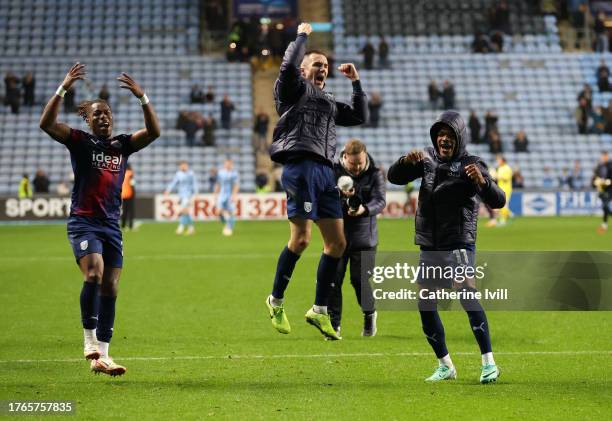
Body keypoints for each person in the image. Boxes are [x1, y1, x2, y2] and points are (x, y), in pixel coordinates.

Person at [39, 62, 161, 376]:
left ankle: (103, 355)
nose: (103, 116)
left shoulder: (122, 146)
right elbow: (46, 123)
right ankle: (88, 340)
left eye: (106, 112)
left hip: (110, 225)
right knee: (93, 273)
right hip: (84, 221)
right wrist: (63, 88)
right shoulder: (79, 141)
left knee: (111, 288)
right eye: (97, 114)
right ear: (89, 120)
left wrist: (142, 97)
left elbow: (154, 132)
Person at [387, 110, 505, 384]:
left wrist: (482, 182)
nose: (444, 139)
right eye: (440, 134)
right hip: (430, 243)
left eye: (449, 135)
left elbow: (499, 200)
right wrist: (405, 162)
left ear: (459, 137)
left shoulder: (472, 163)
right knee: (425, 303)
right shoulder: (426, 159)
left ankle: (489, 362)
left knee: (466, 294)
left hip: (459, 241)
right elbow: (395, 177)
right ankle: (445, 365)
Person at [266, 22, 367, 340]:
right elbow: (286, 66)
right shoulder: (293, 90)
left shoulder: (327, 101)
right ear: (304, 69)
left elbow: (359, 115)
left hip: (326, 172)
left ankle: (319, 310)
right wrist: (302, 36)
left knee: (337, 243)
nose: (322, 69)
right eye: (316, 64)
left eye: (325, 65)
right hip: (301, 166)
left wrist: (356, 82)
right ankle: (275, 300)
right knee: (301, 240)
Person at [330, 139, 385, 338]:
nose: (357, 167)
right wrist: (339, 197)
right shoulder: (333, 172)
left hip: (365, 239)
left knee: (359, 280)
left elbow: (380, 201)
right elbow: (324, 196)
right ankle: (333, 326)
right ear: (345, 157)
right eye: (353, 164)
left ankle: (370, 314)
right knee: (333, 281)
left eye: (360, 162)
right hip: (337, 236)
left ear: (364, 156)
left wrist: (365, 209)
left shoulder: (375, 173)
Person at [164, 161, 198, 235]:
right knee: (186, 211)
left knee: (183, 210)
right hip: (181, 195)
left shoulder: (191, 174)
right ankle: (191, 227)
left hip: (188, 195)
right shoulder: (178, 174)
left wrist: (196, 194)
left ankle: (181, 226)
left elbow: (194, 184)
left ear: (187, 166)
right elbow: (173, 183)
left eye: (184, 165)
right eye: (181, 166)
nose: (183, 167)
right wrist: (168, 190)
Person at [214, 158, 239, 236]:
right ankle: (227, 224)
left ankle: (229, 228)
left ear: (232, 164)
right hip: (221, 194)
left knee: (232, 212)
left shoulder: (234, 173)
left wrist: (234, 195)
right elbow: (218, 184)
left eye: (229, 163)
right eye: (226, 163)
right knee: (218, 212)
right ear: (224, 164)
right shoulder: (220, 173)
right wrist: (215, 194)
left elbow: (236, 185)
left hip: (230, 195)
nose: (228, 165)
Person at [489, 155, 512, 226]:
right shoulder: (499, 168)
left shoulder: (507, 168)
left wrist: (498, 176)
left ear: (502, 160)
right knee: (502, 205)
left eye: (499, 160)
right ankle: (509, 215)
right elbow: (496, 177)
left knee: (503, 205)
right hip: (500, 188)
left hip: (506, 189)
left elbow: (506, 178)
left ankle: (503, 220)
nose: (498, 161)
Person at [593, 151, 612, 233]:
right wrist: (597, 183)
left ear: (607, 156)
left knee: (605, 206)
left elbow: (609, 180)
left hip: (610, 189)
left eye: (605, 156)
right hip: (604, 189)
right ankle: (604, 225)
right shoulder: (600, 166)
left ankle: (604, 224)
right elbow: (596, 177)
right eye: (602, 156)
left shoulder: (610, 165)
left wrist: (604, 183)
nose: (603, 158)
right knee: (605, 207)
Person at [121, 164, 135, 230]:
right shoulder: (130, 174)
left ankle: (123, 225)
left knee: (124, 211)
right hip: (130, 194)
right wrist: (134, 194)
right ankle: (130, 226)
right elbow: (132, 184)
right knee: (131, 211)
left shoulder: (122, 173)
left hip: (123, 195)